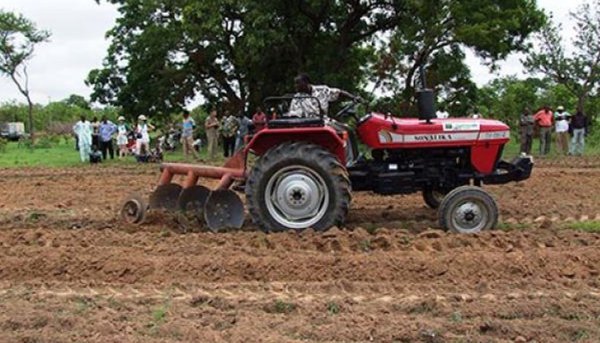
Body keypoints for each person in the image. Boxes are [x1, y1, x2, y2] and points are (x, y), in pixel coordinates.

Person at [288, 73, 358, 118]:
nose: (295, 86)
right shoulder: (297, 98)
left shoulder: (322, 90)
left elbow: (339, 92)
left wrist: (353, 97)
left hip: (324, 121)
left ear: (306, 83)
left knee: (346, 128)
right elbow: (293, 114)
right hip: (309, 124)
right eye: (295, 84)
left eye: (298, 83)